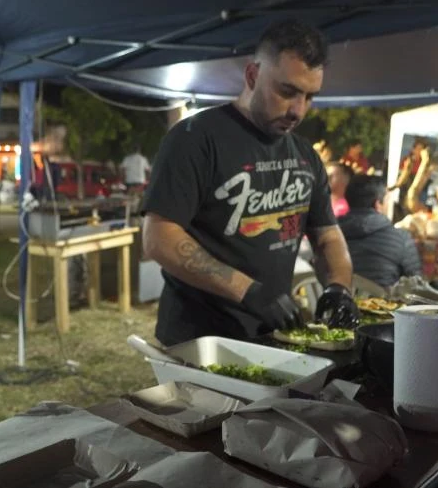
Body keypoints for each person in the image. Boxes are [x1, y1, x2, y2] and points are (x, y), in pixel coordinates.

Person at [141, 19, 358, 346]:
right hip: (200, 341)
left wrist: (338, 288)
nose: (298, 110)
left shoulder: (305, 156)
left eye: (310, 96)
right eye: (287, 91)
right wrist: (247, 290)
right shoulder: (196, 139)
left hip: (272, 336)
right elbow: (159, 236)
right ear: (253, 75)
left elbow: (327, 235)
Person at [338, 175, 421, 288]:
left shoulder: (331, 234)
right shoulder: (401, 238)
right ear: (378, 204)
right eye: (387, 200)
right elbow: (415, 283)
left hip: (336, 302)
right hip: (383, 304)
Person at [393, 137, 430, 215]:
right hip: (406, 188)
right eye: (418, 148)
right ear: (413, 149)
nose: (419, 151)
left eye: (421, 149)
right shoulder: (408, 160)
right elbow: (402, 176)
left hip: (418, 190)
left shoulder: (425, 163)